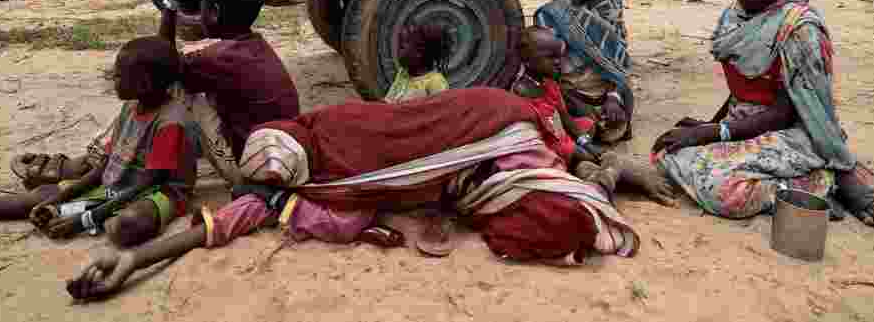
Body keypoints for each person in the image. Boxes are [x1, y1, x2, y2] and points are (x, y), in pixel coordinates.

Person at [66, 85, 658, 300]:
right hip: (479, 150)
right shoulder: (309, 173)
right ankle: (600, 170)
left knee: (556, 208)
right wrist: (133, 260)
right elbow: (226, 222)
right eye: (272, 185)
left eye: (273, 180)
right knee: (553, 219)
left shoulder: (336, 138)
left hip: (492, 128)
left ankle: (605, 170)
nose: (270, 191)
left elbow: (414, 131)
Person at [652, 0, 874, 225]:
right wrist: (709, 124)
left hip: (794, 132)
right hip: (742, 124)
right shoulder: (734, 18)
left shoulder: (799, 28)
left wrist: (712, 132)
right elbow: (741, 89)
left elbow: (785, 113)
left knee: (721, 189)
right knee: (668, 154)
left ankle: (821, 187)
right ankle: (807, 180)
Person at [0, 38, 198, 246]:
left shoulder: (169, 123)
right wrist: (59, 198)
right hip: (121, 186)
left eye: (119, 76)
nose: (113, 79)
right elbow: (105, 168)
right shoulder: (131, 108)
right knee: (41, 197)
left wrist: (85, 220)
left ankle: (87, 215)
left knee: (127, 225)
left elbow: (148, 184)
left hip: (159, 193)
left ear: (144, 84)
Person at [509, 27, 675, 205]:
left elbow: (567, 122)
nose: (559, 62)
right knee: (601, 158)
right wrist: (593, 154)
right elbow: (544, 137)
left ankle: (594, 174)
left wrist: (586, 144)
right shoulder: (522, 92)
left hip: (558, 137)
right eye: (550, 57)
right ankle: (612, 172)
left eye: (560, 56)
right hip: (542, 147)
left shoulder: (549, 84)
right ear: (527, 61)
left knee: (586, 127)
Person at [161, 0, 300, 163]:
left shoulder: (218, 58)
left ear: (215, 13)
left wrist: (170, 3)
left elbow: (161, 64)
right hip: (285, 153)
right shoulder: (254, 44)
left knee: (170, 83)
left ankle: (145, 164)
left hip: (255, 165)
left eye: (203, 7)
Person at [534, 0, 634, 144]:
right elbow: (545, 65)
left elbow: (619, 68)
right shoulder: (549, 14)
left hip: (606, 91)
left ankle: (596, 123)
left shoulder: (609, 14)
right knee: (563, 100)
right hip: (570, 91)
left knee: (623, 95)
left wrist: (613, 97)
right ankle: (589, 125)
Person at [384, 23, 451, 103]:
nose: (397, 52)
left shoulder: (436, 83)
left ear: (420, 53)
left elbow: (440, 112)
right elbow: (388, 102)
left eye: (402, 47)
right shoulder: (403, 73)